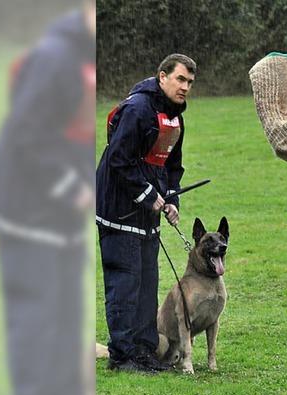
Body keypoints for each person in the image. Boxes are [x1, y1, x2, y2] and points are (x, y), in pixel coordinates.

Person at [0, 1, 96, 395]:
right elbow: (24, 134)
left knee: (65, 331)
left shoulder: (81, 54)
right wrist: (70, 188)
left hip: (62, 226)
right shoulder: (56, 57)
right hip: (29, 222)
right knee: (38, 329)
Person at [96, 53, 196, 373]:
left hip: (147, 215)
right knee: (126, 283)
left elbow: (171, 167)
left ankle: (143, 352)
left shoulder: (176, 118)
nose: (185, 87)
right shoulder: (137, 109)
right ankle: (123, 356)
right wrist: (147, 194)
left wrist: (170, 200)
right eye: (180, 79)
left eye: (190, 82)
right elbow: (119, 160)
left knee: (146, 283)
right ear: (162, 76)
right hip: (118, 211)